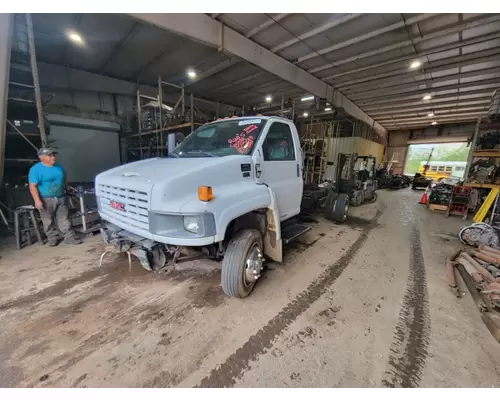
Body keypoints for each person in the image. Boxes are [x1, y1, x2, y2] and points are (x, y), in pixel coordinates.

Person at [28, 148, 81, 246]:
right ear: (42, 158)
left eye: (53, 155)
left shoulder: (58, 167)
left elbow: (64, 176)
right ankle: (52, 238)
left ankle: (69, 237)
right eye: (50, 155)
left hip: (61, 197)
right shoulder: (35, 169)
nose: (53, 157)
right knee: (48, 220)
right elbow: (32, 186)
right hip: (46, 199)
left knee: (64, 218)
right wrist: (37, 201)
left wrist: (66, 187)